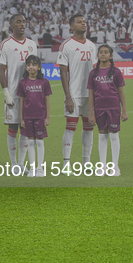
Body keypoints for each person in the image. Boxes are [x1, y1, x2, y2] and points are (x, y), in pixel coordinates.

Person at [0, 14, 38, 173]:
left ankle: (21, 163)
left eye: (24, 22)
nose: (22, 25)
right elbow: (1, 70)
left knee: (26, 128)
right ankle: (14, 164)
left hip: (30, 94)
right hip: (13, 93)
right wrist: (6, 93)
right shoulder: (5, 44)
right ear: (12, 25)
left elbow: (35, 67)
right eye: (19, 22)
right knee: (13, 126)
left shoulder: (31, 44)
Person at [57, 14, 97, 173]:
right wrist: (67, 96)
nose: (83, 24)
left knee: (89, 127)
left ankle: (86, 163)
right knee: (70, 127)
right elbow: (63, 72)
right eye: (79, 22)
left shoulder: (91, 45)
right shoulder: (66, 45)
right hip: (74, 94)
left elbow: (94, 71)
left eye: (84, 22)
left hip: (90, 94)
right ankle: (66, 164)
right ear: (71, 26)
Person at [88, 44, 127, 176]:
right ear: (97, 55)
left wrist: (124, 111)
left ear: (111, 56)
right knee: (102, 136)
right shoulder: (93, 73)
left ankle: (115, 167)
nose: (103, 54)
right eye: (101, 52)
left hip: (114, 108)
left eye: (106, 52)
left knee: (114, 136)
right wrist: (91, 113)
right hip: (99, 109)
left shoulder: (116, 72)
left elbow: (121, 92)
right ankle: (102, 166)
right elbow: (91, 94)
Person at [17, 55, 52, 178]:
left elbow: (47, 100)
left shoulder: (44, 82)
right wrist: (21, 118)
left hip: (40, 116)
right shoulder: (22, 83)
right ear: (26, 67)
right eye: (29, 65)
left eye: (34, 64)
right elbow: (21, 102)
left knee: (40, 142)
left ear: (39, 67)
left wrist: (47, 117)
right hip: (27, 117)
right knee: (30, 142)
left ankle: (40, 168)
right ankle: (32, 168)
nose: (31, 67)